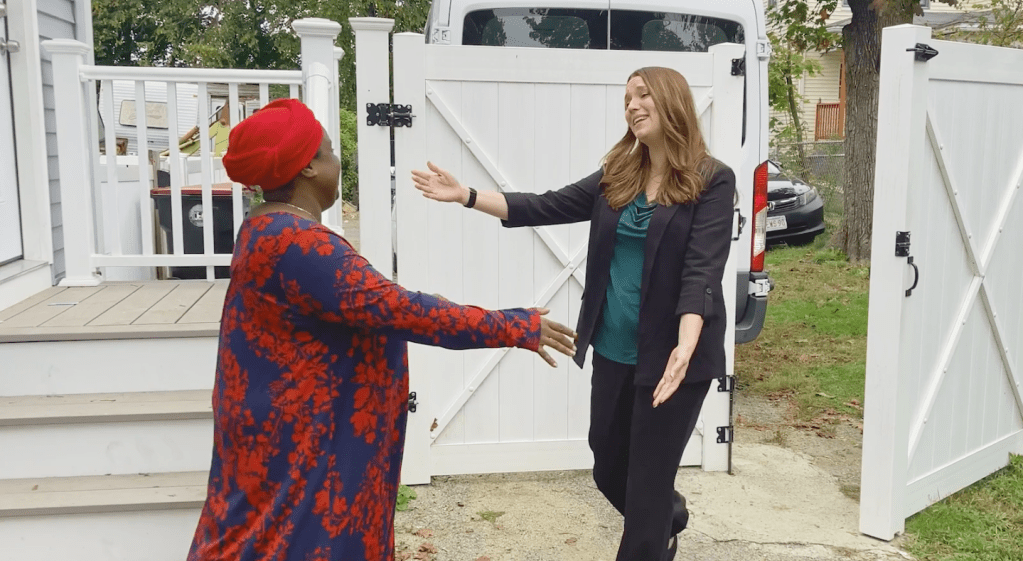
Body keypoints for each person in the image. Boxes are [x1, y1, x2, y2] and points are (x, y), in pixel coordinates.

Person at [186, 98, 578, 561]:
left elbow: (368, 306)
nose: (338, 160)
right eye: (329, 152)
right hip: (305, 442)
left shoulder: (267, 229)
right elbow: (401, 310)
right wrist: (513, 325)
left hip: (291, 428)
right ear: (308, 167)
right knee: (289, 541)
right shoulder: (299, 244)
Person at [412, 66, 735, 561]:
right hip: (612, 349)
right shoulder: (619, 174)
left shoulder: (711, 179)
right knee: (608, 464)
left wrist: (687, 343)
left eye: (643, 94)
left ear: (672, 101)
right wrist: (467, 196)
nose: (632, 105)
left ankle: (652, 529)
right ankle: (665, 517)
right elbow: (546, 205)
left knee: (645, 488)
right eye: (627, 98)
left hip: (673, 359)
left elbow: (702, 270)